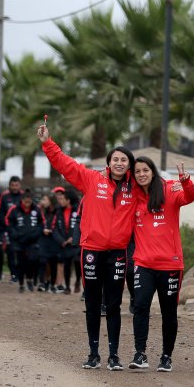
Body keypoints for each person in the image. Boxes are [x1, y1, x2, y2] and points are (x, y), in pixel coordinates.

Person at [37, 120, 143, 371]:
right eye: (115, 159)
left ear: (129, 165)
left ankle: (114, 356)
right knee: (93, 303)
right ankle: (94, 353)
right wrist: (47, 143)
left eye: (124, 160)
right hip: (92, 252)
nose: (119, 163)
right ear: (108, 163)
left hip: (118, 253)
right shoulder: (91, 180)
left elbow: (160, 189)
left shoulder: (135, 188)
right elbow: (65, 164)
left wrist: (183, 185)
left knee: (115, 304)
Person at [129, 157, 194, 371]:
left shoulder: (169, 189)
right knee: (140, 307)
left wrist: (185, 181)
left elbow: (189, 198)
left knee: (169, 312)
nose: (141, 174)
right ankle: (140, 354)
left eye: (145, 170)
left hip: (170, 265)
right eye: (137, 171)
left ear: (153, 171)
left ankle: (166, 357)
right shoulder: (134, 196)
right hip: (143, 263)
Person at [5, 189, 43, 293]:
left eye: (29, 202)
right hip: (19, 241)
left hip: (32, 240)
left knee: (33, 260)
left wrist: (36, 233)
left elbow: (42, 223)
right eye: (25, 202)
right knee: (21, 263)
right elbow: (8, 221)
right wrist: (14, 234)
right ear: (22, 200)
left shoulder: (37, 209)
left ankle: (30, 279)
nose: (27, 204)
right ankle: (21, 283)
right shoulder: (14, 209)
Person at [52, 187, 79, 294]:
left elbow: (81, 225)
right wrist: (61, 241)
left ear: (69, 200)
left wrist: (74, 238)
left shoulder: (77, 210)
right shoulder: (58, 211)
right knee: (66, 265)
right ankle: (67, 286)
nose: (60, 201)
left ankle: (77, 281)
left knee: (77, 262)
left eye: (63, 199)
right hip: (64, 244)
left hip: (75, 244)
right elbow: (54, 228)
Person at [0, 176, 23, 282]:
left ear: (19, 185)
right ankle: (13, 274)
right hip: (9, 230)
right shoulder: (4, 196)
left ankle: (21, 272)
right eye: (13, 185)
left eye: (16, 185)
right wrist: (7, 225)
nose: (15, 187)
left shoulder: (24, 196)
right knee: (10, 251)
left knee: (22, 252)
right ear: (9, 185)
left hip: (22, 230)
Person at [37, 193, 60, 292]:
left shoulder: (58, 211)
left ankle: (52, 284)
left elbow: (60, 224)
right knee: (42, 261)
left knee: (53, 263)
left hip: (54, 240)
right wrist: (43, 229)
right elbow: (38, 222)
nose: (43, 201)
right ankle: (42, 283)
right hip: (43, 239)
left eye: (45, 199)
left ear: (50, 201)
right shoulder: (42, 211)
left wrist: (52, 230)